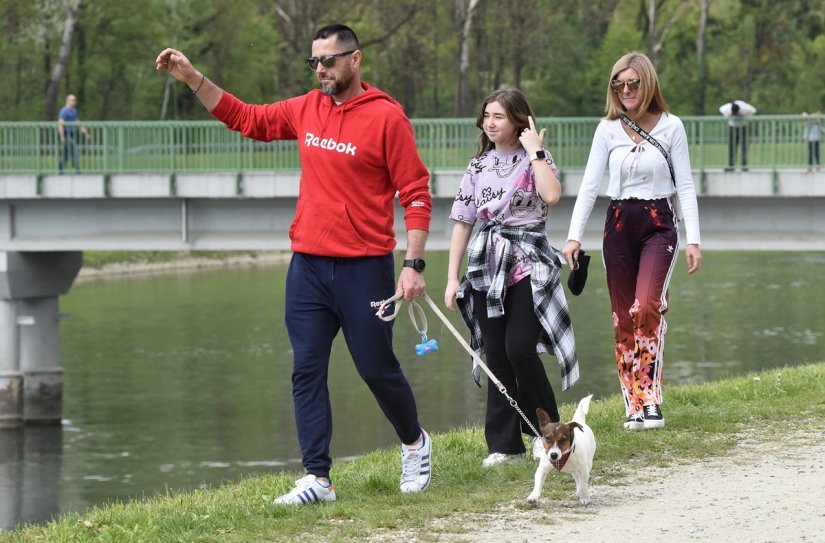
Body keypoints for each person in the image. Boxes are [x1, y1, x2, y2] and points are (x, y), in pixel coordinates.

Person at [156, 23, 434, 505]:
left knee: (375, 368)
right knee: (306, 368)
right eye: (314, 62)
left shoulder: (388, 119)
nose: (321, 69)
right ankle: (317, 477)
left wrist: (413, 264)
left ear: (355, 59)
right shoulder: (306, 108)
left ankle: (414, 442)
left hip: (364, 268)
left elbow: (415, 194)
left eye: (328, 60)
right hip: (307, 266)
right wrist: (193, 78)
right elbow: (246, 118)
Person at [562, 52, 702, 431]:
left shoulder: (672, 127)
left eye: (633, 83)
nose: (626, 90)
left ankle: (652, 397)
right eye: (618, 84)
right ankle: (633, 404)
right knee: (623, 316)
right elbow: (590, 186)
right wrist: (574, 236)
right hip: (619, 223)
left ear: (648, 83)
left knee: (646, 307)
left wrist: (694, 239)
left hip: (659, 221)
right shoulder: (606, 130)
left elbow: (685, 184)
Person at [444, 88, 579, 467]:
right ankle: (504, 446)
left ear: (518, 120)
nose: (489, 122)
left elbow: (552, 196)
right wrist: (452, 279)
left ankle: (551, 431)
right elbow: (462, 222)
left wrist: (535, 150)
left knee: (520, 348)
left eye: (498, 116)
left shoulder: (537, 158)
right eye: (486, 115)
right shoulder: (478, 166)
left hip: (528, 263)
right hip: (487, 265)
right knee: (496, 356)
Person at [719, 99, 756, 171]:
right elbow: (721, 109)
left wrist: (746, 115)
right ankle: (731, 166)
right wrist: (727, 114)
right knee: (732, 148)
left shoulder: (745, 108)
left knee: (744, 147)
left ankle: (744, 166)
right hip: (732, 128)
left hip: (743, 127)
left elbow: (753, 110)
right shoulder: (728, 108)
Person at [57, 94, 91, 173]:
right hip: (66, 135)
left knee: (65, 155)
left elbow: (78, 123)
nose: (75, 102)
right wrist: (62, 137)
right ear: (68, 101)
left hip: (72, 134)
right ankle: (77, 169)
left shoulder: (74, 111)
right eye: (73, 100)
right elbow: (60, 124)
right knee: (75, 150)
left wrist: (86, 133)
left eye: (75, 100)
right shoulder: (64, 111)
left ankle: (60, 168)